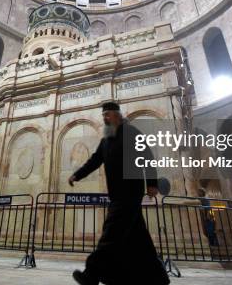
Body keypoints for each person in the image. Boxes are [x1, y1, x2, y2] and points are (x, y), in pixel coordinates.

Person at [68, 102, 169, 285]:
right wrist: (77, 175)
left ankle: (92, 274)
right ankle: (157, 277)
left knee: (111, 234)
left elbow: (147, 157)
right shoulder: (106, 140)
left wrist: (152, 184)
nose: (105, 118)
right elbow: (95, 160)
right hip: (117, 195)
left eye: (108, 114)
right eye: (103, 115)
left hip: (130, 192)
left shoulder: (131, 133)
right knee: (139, 238)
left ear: (117, 115)